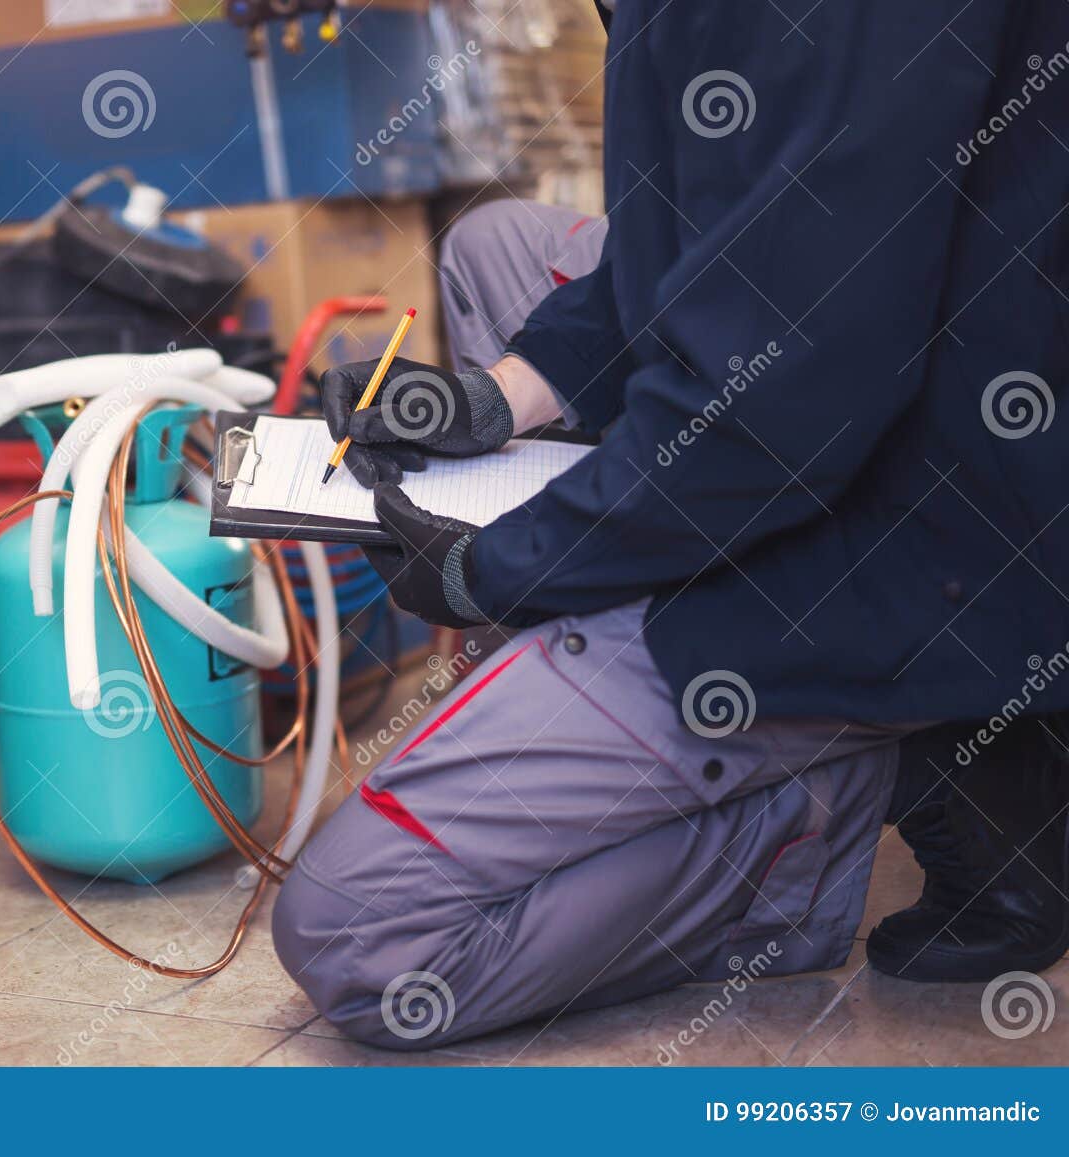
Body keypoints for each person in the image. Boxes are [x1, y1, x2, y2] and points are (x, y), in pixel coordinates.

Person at [271, 0, 1069, 1051]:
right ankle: (607, 719)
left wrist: (501, 565)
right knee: (495, 245)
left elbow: (779, 397)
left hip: (941, 524)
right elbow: (697, 232)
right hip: (853, 359)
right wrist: (499, 398)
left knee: (360, 934)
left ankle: (870, 772)